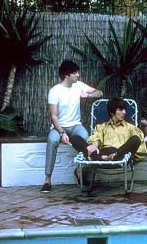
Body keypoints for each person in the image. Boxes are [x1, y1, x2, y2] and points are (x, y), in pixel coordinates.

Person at [42, 60, 103, 193]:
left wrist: (87, 95)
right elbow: (54, 117)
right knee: (52, 141)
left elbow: (99, 93)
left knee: (86, 138)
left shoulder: (78, 85)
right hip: (59, 127)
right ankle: (47, 180)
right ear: (66, 75)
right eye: (75, 73)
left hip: (76, 125)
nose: (78, 75)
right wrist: (62, 133)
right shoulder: (55, 91)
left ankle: (80, 171)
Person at [71, 97, 147, 163]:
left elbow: (140, 149)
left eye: (124, 109)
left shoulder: (131, 128)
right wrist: (94, 145)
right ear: (112, 112)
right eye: (120, 110)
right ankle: (100, 157)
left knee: (136, 139)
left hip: (119, 156)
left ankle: (106, 157)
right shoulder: (102, 127)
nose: (124, 112)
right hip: (100, 153)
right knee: (75, 138)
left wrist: (123, 155)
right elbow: (96, 138)